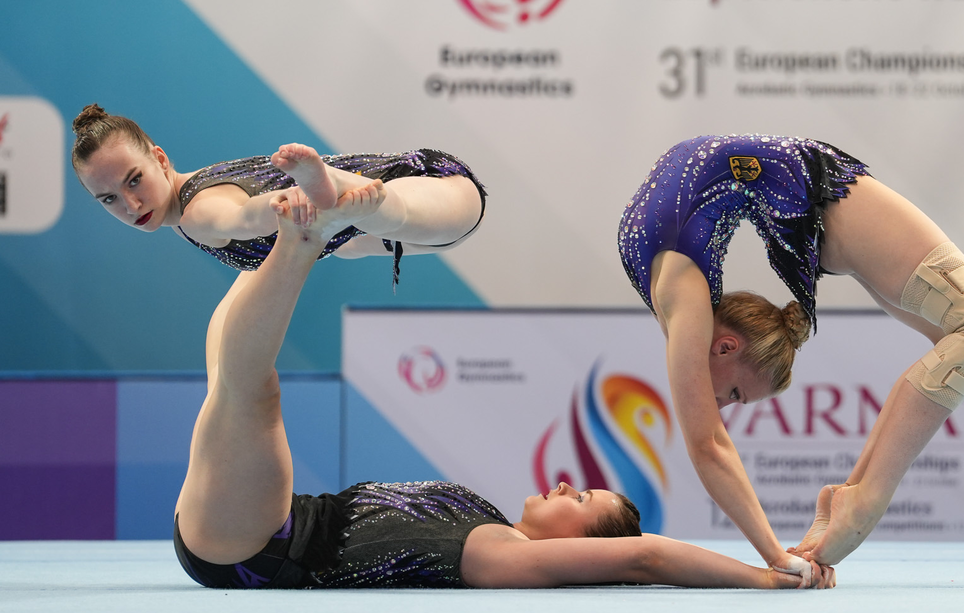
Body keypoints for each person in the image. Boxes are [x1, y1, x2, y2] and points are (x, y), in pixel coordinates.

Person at [173, 185, 835, 590]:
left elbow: (648, 557)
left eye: (582, 499)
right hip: (263, 520)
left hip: (261, 546)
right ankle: (264, 228)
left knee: (249, 390)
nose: (567, 484)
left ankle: (297, 241)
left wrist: (766, 576)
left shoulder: (502, 557)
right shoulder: (489, 522)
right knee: (227, 368)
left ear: (581, 546)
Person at [618, 134, 964, 569]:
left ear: (726, 346)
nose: (721, 406)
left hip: (808, 186)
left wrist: (777, 559)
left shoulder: (686, 299)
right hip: (791, 197)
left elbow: (708, 444)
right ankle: (856, 498)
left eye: (733, 394)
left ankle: (862, 499)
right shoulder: (681, 302)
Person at [70, 103, 486, 287]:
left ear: (159, 159)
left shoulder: (198, 214)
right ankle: (336, 196)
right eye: (108, 199)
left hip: (433, 190)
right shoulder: (186, 201)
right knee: (348, 245)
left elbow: (244, 217)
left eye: (134, 180)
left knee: (384, 213)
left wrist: (287, 202)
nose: (131, 205)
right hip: (424, 218)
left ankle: (332, 187)